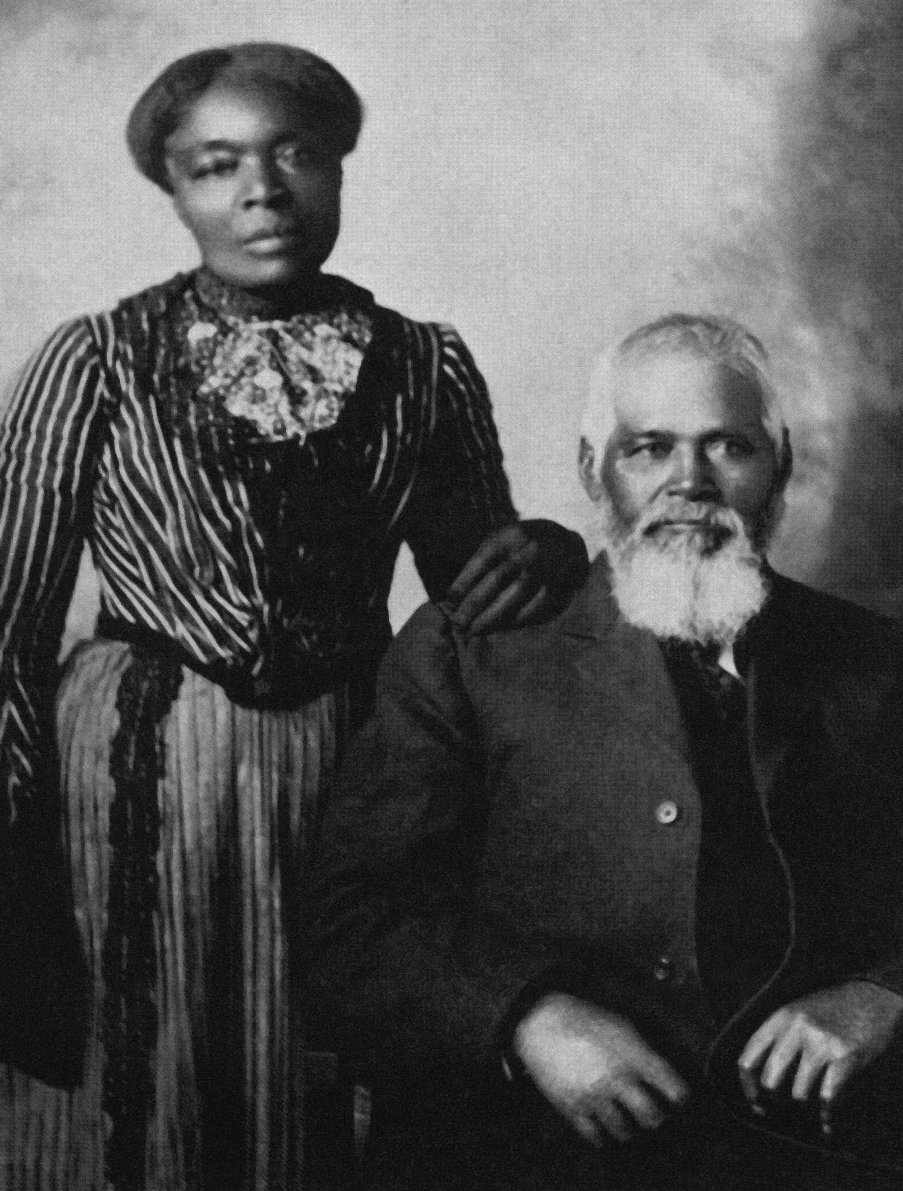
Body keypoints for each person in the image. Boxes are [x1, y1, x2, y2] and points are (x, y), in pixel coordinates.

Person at [0, 42, 587, 1191]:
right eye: (217, 166)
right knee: (136, 1067)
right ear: (173, 191)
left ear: (339, 169)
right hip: (128, 783)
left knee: (320, 1060)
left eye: (296, 155)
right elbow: (7, 624)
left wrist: (552, 552)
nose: (262, 191)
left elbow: (480, 588)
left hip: (342, 767)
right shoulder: (96, 360)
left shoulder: (423, 366)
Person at [308, 314, 903, 1190]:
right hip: (519, 1154)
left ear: (779, 466)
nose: (688, 483)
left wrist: (884, 993)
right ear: (594, 470)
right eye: (648, 449)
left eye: (728, 447)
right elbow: (347, 921)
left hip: (798, 1156)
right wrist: (526, 1017)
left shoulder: (872, 662)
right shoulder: (469, 654)